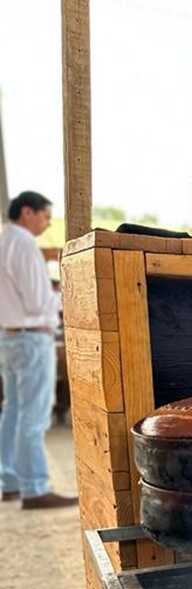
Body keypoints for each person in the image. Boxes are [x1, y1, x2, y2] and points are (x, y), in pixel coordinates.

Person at [0, 191, 74, 509]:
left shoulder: (4, 241)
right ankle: (35, 487)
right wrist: (62, 295)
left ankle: (11, 480)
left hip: (10, 336)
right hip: (32, 338)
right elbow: (36, 301)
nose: (45, 224)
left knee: (13, 411)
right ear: (27, 212)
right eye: (45, 216)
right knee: (33, 415)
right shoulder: (25, 244)